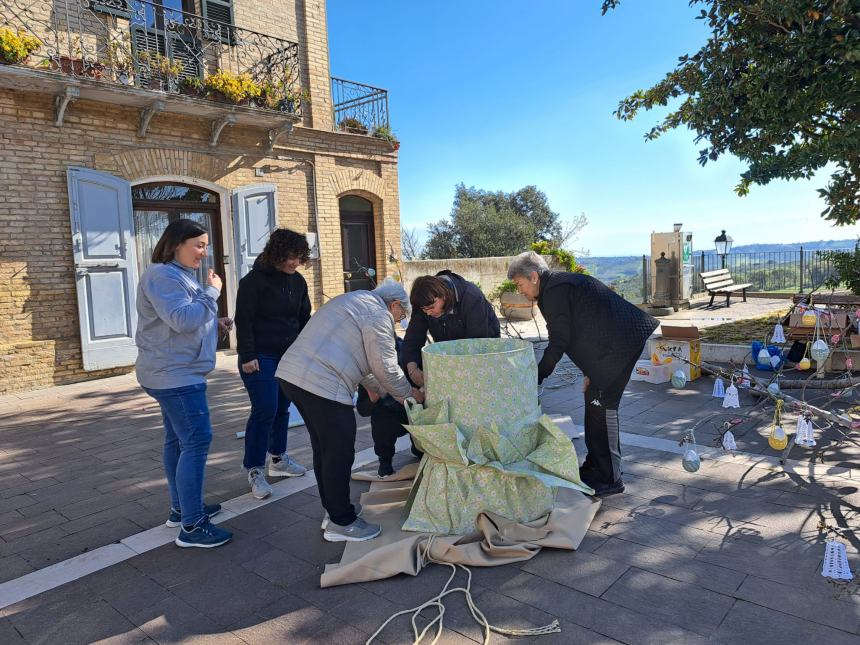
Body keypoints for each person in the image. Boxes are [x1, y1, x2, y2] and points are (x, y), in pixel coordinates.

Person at [276, 279, 424, 542]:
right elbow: (386, 366)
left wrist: (377, 388)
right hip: (322, 384)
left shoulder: (354, 300)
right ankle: (342, 521)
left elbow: (364, 362)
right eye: (402, 314)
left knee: (324, 449)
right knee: (339, 451)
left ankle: (333, 511)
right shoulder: (378, 314)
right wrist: (408, 395)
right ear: (394, 305)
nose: (399, 321)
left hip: (292, 376)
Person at [507, 251, 659, 497]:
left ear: (533, 277)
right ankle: (595, 465)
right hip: (611, 346)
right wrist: (592, 371)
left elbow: (559, 341)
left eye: (520, 284)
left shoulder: (555, 290)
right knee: (593, 400)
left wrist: (535, 377)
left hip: (622, 344)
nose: (520, 290)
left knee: (604, 407)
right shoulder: (554, 287)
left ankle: (611, 477)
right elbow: (586, 327)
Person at [135, 219, 233, 548]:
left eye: (206, 245)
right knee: (195, 441)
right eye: (199, 245)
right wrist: (212, 294)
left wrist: (213, 323)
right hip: (175, 376)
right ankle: (192, 526)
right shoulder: (163, 275)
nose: (204, 253)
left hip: (173, 371)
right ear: (177, 243)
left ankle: (182, 509)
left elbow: (185, 323)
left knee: (177, 441)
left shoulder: (176, 276)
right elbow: (182, 319)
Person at [234, 229, 312, 500]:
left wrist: (308, 352)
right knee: (264, 408)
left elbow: (304, 319)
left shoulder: (298, 282)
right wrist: (247, 355)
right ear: (277, 253)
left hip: (289, 356)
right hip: (260, 357)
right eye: (291, 257)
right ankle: (254, 469)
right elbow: (243, 320)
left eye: (299, 257)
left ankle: (278, 459)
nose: (295, 263)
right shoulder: (253, 282)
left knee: (282, 409)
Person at [402, 271, 500, 386]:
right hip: (450, 355)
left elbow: (476, 343)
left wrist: (457, 374)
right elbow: (413, 338)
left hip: (482, 350)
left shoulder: (472, 297)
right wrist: (412, 369)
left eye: (431, 307)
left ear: (443, 295)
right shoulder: (424, 302)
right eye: (424, 309)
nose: (428, 313)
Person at [356, 336, 423, 478]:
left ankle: (419, 448)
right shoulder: (367, 366)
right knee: (381, 421)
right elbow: (363, 410)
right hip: (387, 414)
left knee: (422, 412)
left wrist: (419, 390)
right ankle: (385, 461)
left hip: (411, 408)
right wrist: (373, 398)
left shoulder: (406, 353)